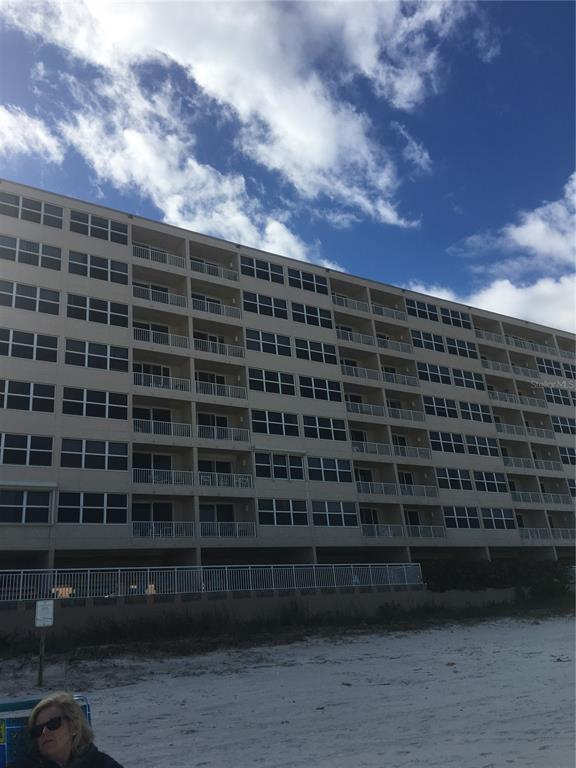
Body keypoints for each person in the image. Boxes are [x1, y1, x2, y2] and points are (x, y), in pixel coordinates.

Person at [12, 691, 124, 768]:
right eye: (38, 729)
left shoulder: (101, 764)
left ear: (74, 726)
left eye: (53, 724)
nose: (44, 733)